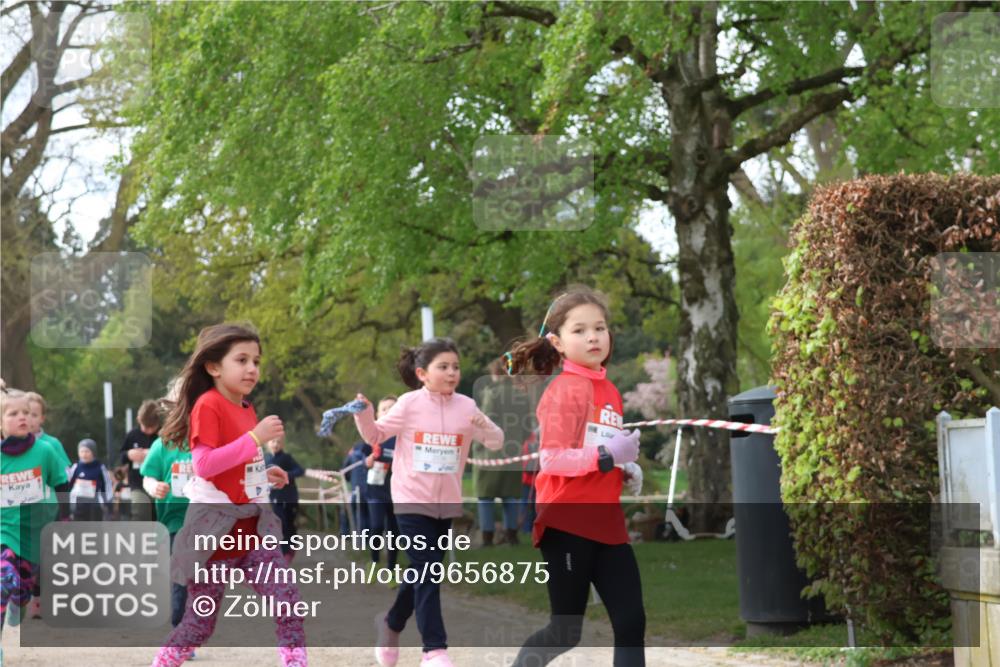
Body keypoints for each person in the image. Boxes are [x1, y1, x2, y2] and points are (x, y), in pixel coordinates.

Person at [503, 286, 646, 667]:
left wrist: (624, 466)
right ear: (558, 342)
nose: (593, 337)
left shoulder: (610, 389)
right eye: (579, 330)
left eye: (599, 328)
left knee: (632, 622)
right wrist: (606, 456)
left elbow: (598, 447)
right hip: (567, 520)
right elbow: (552, 460)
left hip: (607, 522)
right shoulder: (566, 389)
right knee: (565, 631)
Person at [150, 323, 305, 667]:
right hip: (213, 534)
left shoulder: (246, 408)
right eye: (242, 360)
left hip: (251, 529)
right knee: (199, 625)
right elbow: (205, 465)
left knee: (288, 601)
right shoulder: (208, 405)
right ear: (214, 366)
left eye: (256, 361)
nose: (252, 368)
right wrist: (255, 438)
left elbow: (235, 466)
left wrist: (263, 474)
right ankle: (163, 661)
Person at [354, 338, 504, 667]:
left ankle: (391, 623)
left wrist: (485, 425)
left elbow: (496, 442)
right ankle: (434, 649)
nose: (452, 373)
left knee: (426, 572)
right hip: (410, 499)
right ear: (422, 373)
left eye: (456, 367)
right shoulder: (408, 404)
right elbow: (376, 435)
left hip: (446, 501)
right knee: (427, 570)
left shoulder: (466, 406)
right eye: (444, 367)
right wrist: (364, 414)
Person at [0, 387, 69, 632]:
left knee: (23, 586)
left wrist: (64, 519)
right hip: (4, 530)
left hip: (34, 533)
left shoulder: (45, 451)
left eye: (27, 413)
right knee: (3, 579)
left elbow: (61, 483)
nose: (22, 417)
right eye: (13, 413)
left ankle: (21, 599)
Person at [140, 386, 193, 632]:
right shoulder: (163, 445)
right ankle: (180, 627)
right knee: (181, 577)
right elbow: (147, 477)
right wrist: (154, 487)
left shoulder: (211, 442)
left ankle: (187, 625)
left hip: (209, 520)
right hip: (174, 520)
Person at [475, 361, 537, 546]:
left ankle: (487, 538)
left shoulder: (491, 394)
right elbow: (527, 428)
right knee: (511, 496)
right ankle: (512, 535)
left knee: (485, 497)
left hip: (489, 453)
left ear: (495, 374)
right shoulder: (522, 396)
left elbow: (486, 423)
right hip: (514, 452)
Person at [24, 390, 71, 618]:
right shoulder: (9, 445)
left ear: (42, 418)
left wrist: (64, 514)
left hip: (46, 511)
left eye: (34, 414)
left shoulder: (51, 445)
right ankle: (20, 595)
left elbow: (63, 479)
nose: (28, 419)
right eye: (25, 414)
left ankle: (39, 600)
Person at [364, 396, 399, 572]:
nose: (388, 412)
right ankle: (374, 560)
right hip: (375, 490)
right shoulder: (371, 435)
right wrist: (368, 461)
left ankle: (391, 568)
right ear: (377, 414)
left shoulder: (402, 436)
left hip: (397, 491)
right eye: (384, 408)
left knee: (394, 531)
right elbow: (360, 460)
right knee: (377, 526)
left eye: (392, 408)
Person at [118, 399, 161, 521]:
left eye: (151, 427)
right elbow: (121, 457)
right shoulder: (132, 435)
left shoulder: (163, 436)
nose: (147, 430)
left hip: (159, 483)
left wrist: (151, 454)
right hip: (138, 484)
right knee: (140, 513)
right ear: (138, 420)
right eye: (144, 426)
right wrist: (128, 454)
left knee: (157, 515)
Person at [264, 436, 305, 562]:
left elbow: (300, 471)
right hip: (274, 497)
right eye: (273, 441)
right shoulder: (266, 459)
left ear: (282, 444)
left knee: (289, 524)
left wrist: (286, 475)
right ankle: (282, 551)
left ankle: (290, 549)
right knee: (278, 523)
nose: (275, 444)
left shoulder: (286, 458)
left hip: (289, 497)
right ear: (268, 443)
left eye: (278, 442)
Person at [67, 438, 114, 521]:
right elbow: (68, 484)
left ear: (93, 452)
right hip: (78, 506)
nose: (84, 454)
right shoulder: (76, 467)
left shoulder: (100, 468)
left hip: (95, 506)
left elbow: (106, 486)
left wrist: (109, 504)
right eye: (82, 452)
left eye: (87, 451)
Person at [342, 439, 371, 535]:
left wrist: (349, 480)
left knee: (358, 514)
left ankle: (358, 538)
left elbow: (344, 472)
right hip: (370, 489)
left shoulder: (352, 456)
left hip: (356, 489)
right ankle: (369, 539)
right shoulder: (369, 456)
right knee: (369, 514)